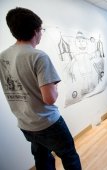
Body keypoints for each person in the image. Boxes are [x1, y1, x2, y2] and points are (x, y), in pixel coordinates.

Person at [0, 7, 82, 170]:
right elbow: (49, 98)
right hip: (48, 123)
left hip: (25, 124)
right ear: (35, 31)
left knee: (42, 158)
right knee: (69, 155)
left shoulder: (3, 57)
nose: (41, 33)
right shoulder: (38, 56)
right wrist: (56, 87)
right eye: (41, 30)